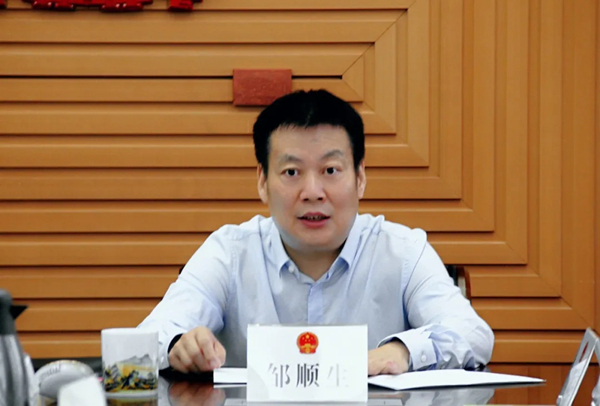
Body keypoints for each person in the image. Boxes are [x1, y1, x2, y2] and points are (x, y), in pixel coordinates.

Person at [138, 90, 494, 376]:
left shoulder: (402, 252)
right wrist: (178, 346)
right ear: (262, 182)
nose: (312, 192)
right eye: (292, 172)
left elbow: (472, 334)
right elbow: (147, 341)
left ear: (360, 178)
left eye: (331, 170)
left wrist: (400, 352)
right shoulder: (229, 252)